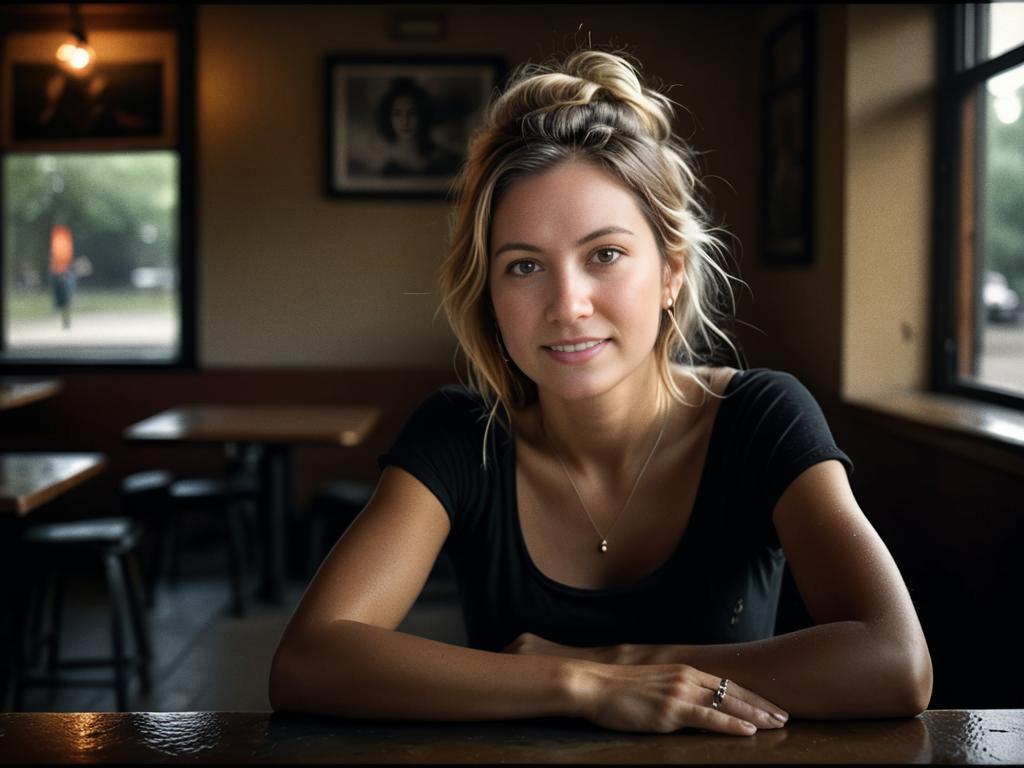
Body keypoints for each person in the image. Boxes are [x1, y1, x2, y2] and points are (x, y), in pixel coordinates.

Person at [270, 49, 932, 735]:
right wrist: (581, 684)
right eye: (523, 265)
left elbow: (896, 663)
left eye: (605, 255)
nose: (568, 304)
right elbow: (308, 660)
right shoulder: (462, 435)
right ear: (490, 295)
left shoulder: (759, 417)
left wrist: (624, 664)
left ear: (672, 271)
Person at [371, 77, 460, 176]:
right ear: (388, 118)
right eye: (397, 114)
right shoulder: (385, 168)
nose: (405, 122)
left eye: (412, 113)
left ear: (422, 115)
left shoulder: (442, 159)